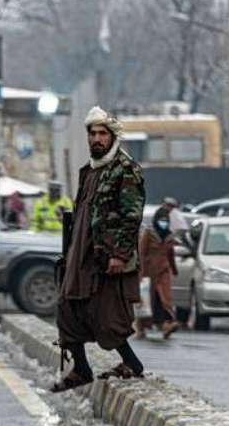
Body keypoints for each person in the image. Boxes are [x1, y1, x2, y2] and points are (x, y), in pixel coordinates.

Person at [51, 106, 146, 393]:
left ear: (112, 137)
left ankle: (132, 365)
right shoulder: (89, 172)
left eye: (102, 133)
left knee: (107, 316)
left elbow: (132, 217)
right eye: (92, 133)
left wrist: (119, 254)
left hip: (106, 259)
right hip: (80, 256)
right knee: (68, 309)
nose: (96, 139)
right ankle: (81, 369)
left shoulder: (124, 170)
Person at [136, 206, 180, 339]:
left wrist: (174, 269)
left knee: (164, 298)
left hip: (163, 272)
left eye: (166, 220)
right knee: (147, 300)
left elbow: (170, 254)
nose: (164, 222)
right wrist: (141, 271)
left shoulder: (169, 236)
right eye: (161, 220)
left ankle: (167, 323)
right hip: (148, 272)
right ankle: (142, 326)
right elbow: (142, 253)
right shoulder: (149, 234)